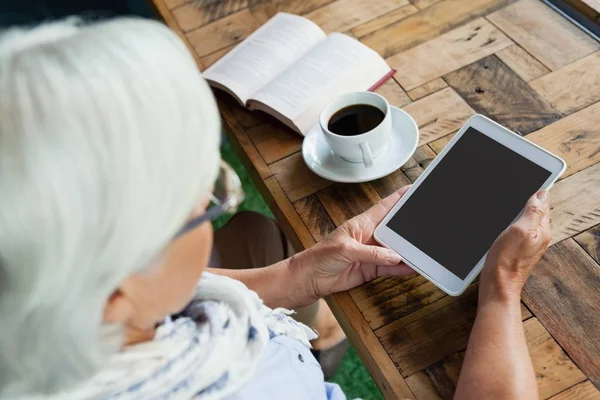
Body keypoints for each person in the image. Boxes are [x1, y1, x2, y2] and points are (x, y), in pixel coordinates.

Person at [0, 17, 551, 400]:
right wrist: (501, 289)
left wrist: (293, 276)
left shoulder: (45, 309)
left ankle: (322, 344)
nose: (206, 204)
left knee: (257, 232)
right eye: (198, 203)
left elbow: (147, 298)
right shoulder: (255, 386)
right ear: (111, 294)